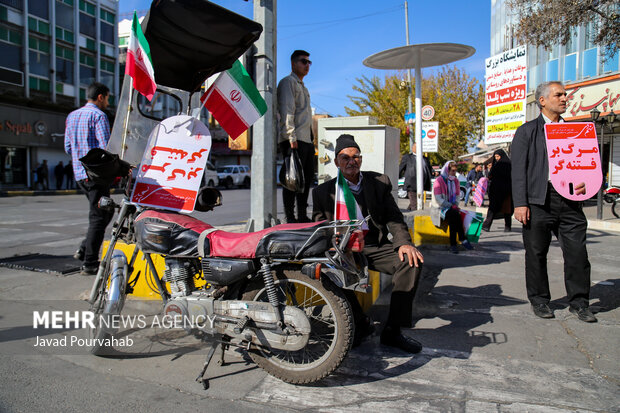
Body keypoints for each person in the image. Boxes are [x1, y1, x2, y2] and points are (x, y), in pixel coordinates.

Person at [312, 134, 425, 354]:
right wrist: (334, 241)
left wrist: (404, 243)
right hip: (342, 247)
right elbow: (319, 225)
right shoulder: (323, 192)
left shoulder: (379, 182)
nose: (351, 161)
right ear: (336, 162)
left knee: (411, 263)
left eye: (355, 157)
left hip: (375, 245)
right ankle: (359, 323)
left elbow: (394, 217)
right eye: (345, 157)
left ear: (361, 160)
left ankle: (393, 330)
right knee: (324, 270)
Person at [511, 81, 596, 323]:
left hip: (570, 202)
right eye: (558, 95)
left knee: (578, 254)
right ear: (543, 101)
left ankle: (580, 303)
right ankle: (539, 300)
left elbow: (587, 167)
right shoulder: (527, 131)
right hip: (538, 201)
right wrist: (521, 203)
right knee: (536, 253)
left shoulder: (576, 132)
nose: (564, 99)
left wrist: (585, 184)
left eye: (565, 95)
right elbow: (518, 171)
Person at [64, 82, 114, 275]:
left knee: (105, 212)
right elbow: (106, 148)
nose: (108, 102)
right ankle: (90, 262)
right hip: (96, 176)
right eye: (108, 98)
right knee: (98, 217)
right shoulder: (98, 116)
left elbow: (68, 148)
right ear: (100, 97)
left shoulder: (72, 116)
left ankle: (84, 248)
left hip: (79, 174)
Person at [277, 50, 314, 223]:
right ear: (293, 64)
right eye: (303, 61)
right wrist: (290, 137)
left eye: (309, 62)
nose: (307, 65)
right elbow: (286, 110)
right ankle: (290, 216)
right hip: (293, 139)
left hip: (306, 139)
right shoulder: (288, 83)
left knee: (305, 180)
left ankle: (301, 214)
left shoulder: (303, 86)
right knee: (292, 178)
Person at [431, 161, 474, 254]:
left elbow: (458, 196)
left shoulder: (455, 181)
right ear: (447, 170)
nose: (454, 173)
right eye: (453, 171)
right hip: (440, 207)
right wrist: (451, 206)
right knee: (454, 215)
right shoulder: (439, 181)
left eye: (455, 171)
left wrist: (455, 205)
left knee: (454, 216)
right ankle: (462, 239)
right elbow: (438, 199)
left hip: (451, 208)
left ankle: (454, 244)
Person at [482, 149, 513, 232]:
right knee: (496, 208)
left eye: (498, 156)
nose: (496, 158)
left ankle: (506, 226)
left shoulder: (505, 165)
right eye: (495, 157)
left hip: (504, 191)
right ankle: (487, 226)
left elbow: (491, 175)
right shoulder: (500, 165)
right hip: (499, 190)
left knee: (504, 209)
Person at [399, 143, 432, 210]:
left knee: (415, 203)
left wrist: (434, 173)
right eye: (416, 147)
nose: (418, 149)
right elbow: (400, 168)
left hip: (422, 185)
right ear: (412, 148)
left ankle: (405, 216)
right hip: (411, 185)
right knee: (416, 205)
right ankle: (415, 218)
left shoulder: (424, 159)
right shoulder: (408, 157)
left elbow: (429, 169)